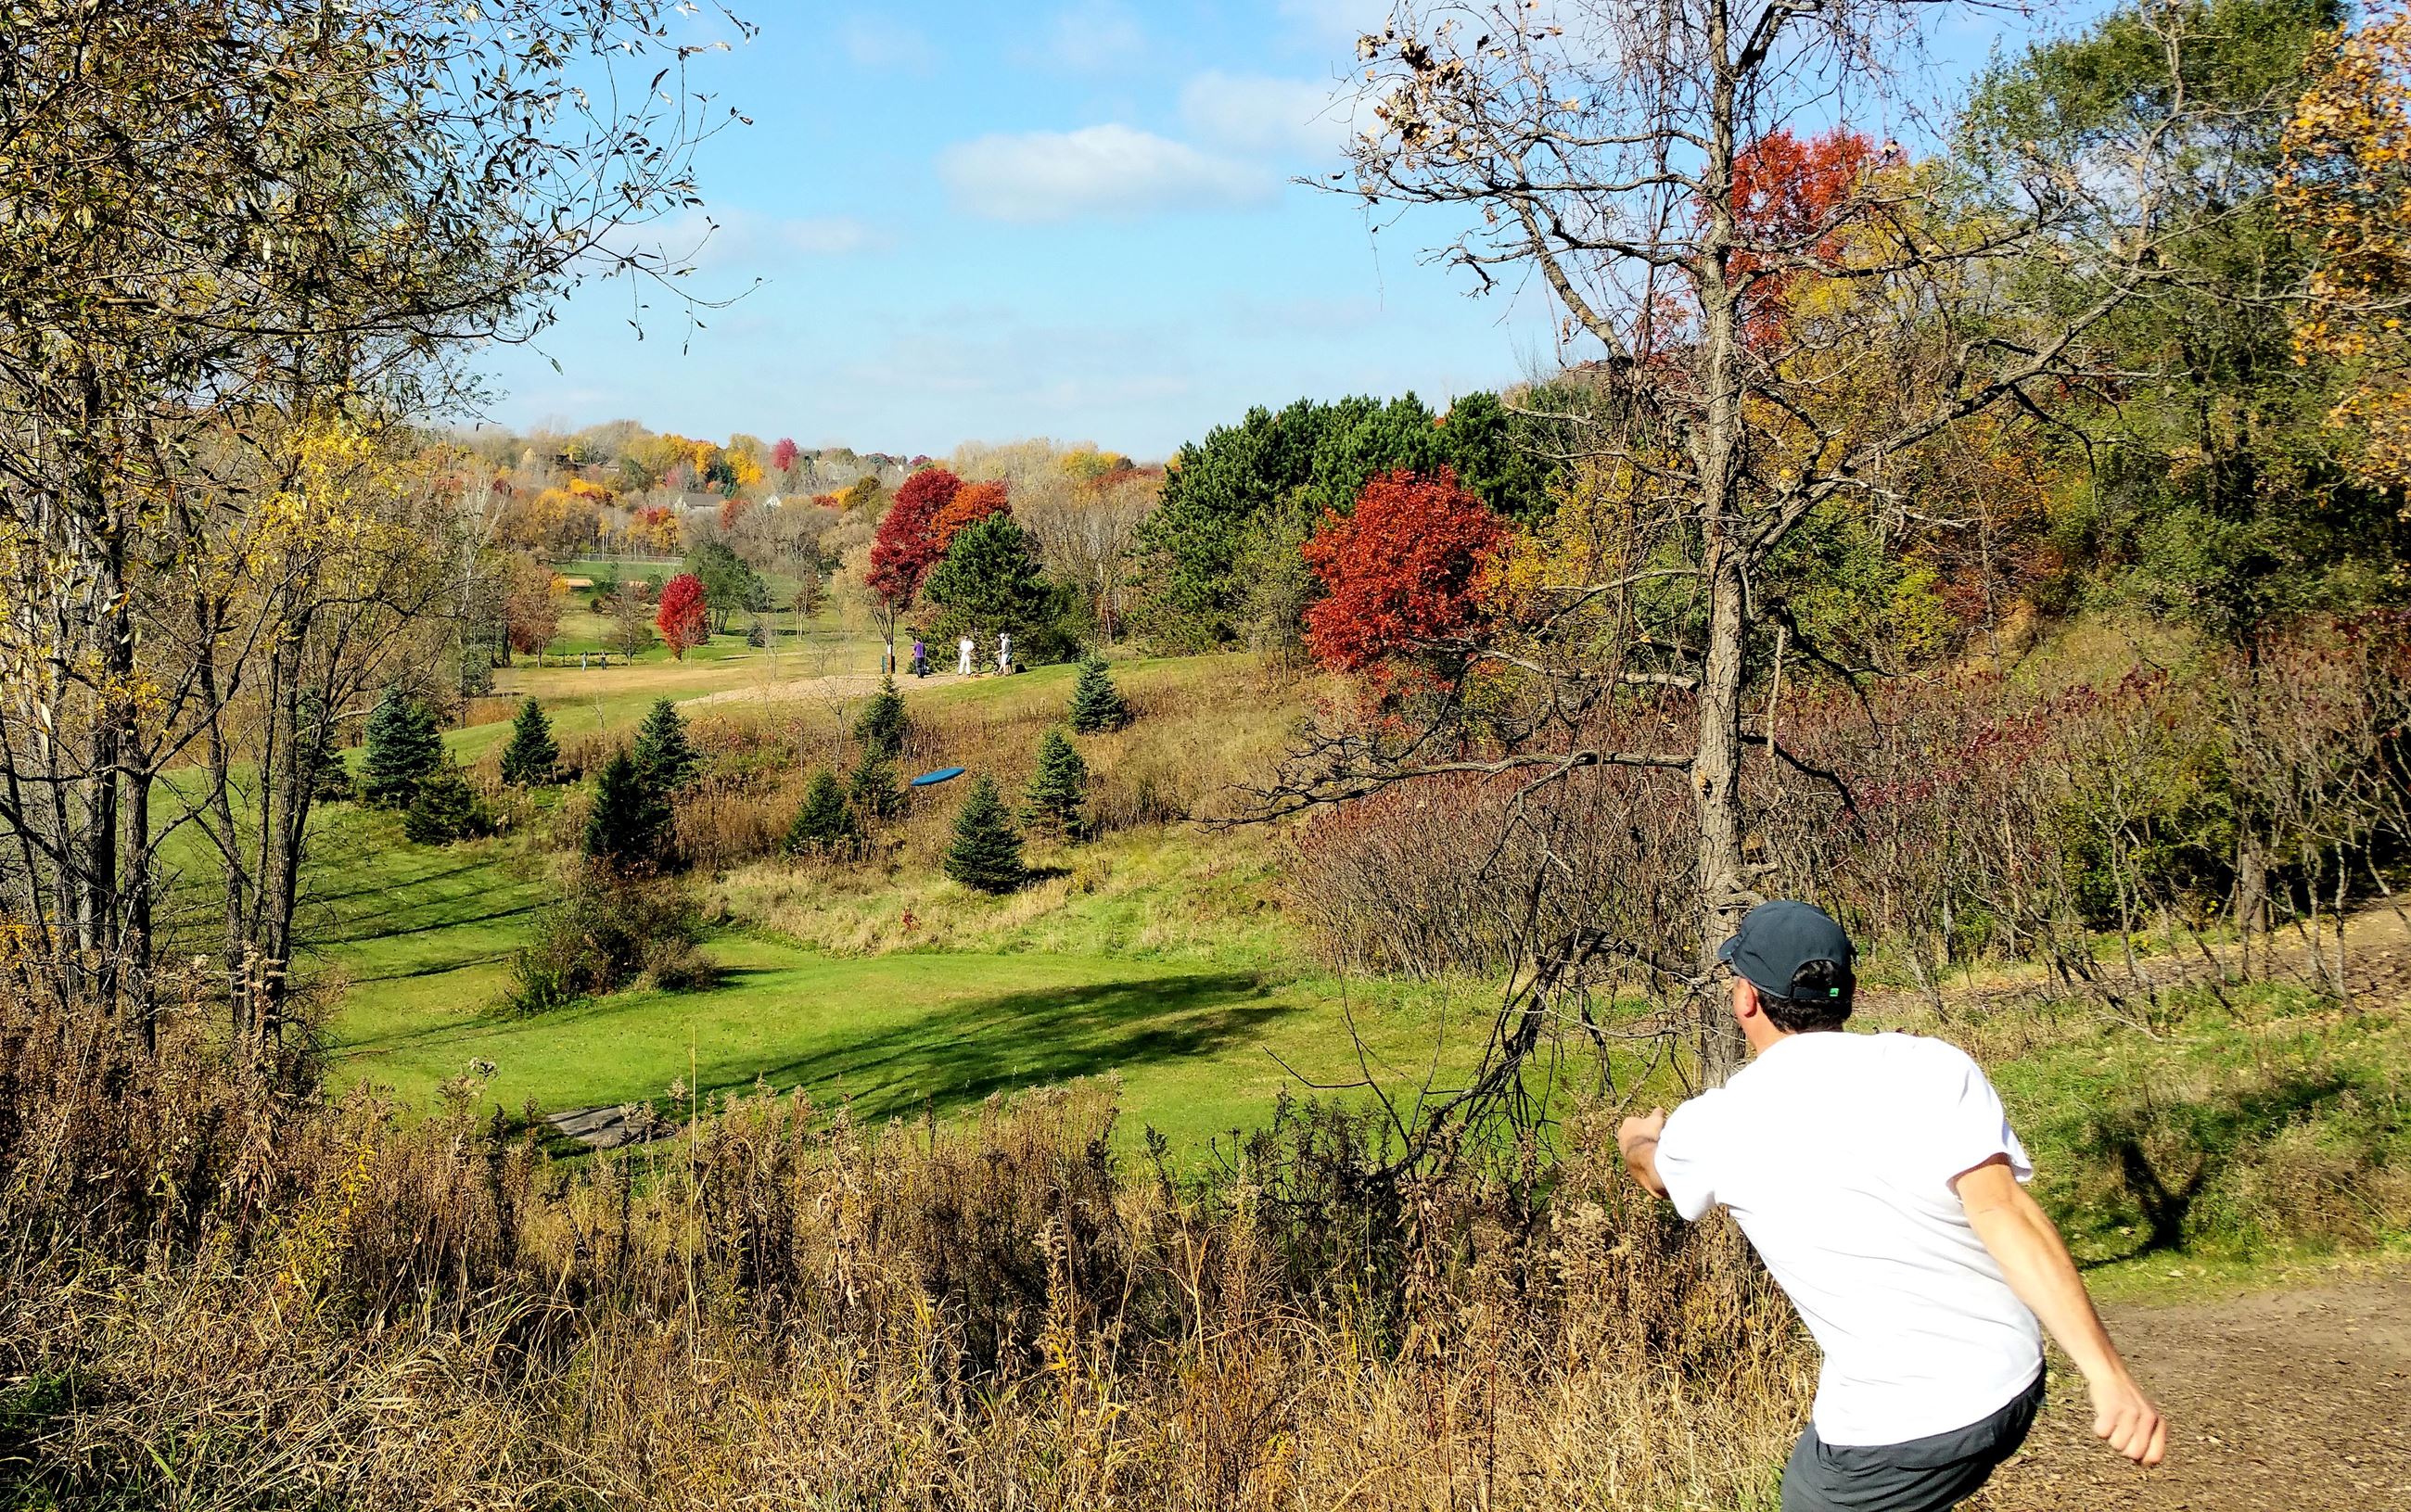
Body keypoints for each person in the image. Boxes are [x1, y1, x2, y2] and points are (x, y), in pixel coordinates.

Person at [1617, 901, 2165, 1512]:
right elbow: (2006, 1213)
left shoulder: (1712, 1126)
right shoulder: (1933, 1065)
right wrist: (2107, 1375)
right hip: (2010, 1382)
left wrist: (1636, 1134)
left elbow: (1654, 1172)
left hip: (1897, 1430)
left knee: (1811, 1494)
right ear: (1847, 991)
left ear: (1747, 998)